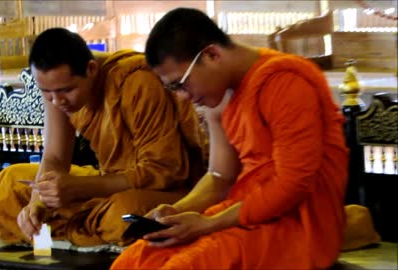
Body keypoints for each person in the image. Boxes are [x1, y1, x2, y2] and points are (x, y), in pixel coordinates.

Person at [111, 8, 349, 269]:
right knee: (134, 259)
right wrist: (175, 212)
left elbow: (292, 185)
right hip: (245, 211)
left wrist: (209, 224)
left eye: (181, 83)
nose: (182, 97)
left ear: (212, 54)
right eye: (173, 88)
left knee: (186, 265)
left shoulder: (285, 83)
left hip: (297, 224)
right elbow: (220, 177)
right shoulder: (218, 95)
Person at [0, 28, 206, 246]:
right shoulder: (56, 88)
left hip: (159, 190)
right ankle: (68, 233)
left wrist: (78, 187)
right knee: (11, 183)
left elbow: (166, 171)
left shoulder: (135, 81)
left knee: (125, 214)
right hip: (106, 183)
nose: (57, 101)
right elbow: (55, 158)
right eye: (47, 92)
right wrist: (38, 203)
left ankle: (58, 235)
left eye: (66, 90)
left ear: (91, 69)